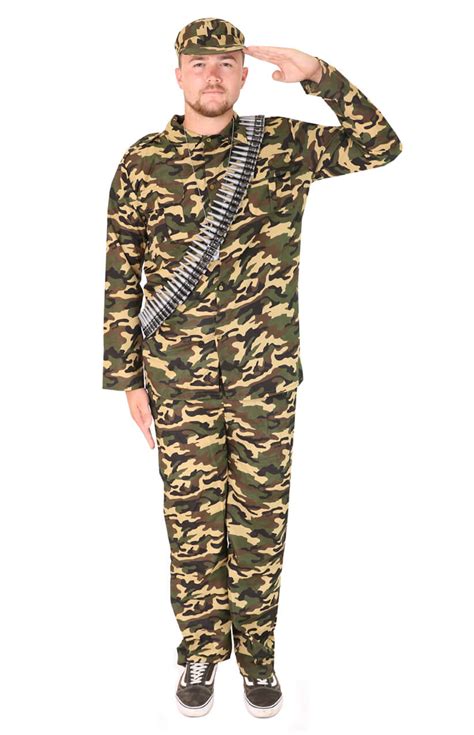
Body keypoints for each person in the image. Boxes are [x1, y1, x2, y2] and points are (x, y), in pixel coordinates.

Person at [102, 16, 402, 718]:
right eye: (199, 63)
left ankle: (258, 655)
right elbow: (121, 272)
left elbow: (380, 145)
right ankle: (201, 647)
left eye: (226, 63)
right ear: (178, 74)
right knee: (191, 518)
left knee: (261, 518)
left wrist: (319, 75)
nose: (212, 75)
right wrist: (127, 377)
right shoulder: (143, 161)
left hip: (264, 377)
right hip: (176, 376)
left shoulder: (281, 146)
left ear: (243, 74)